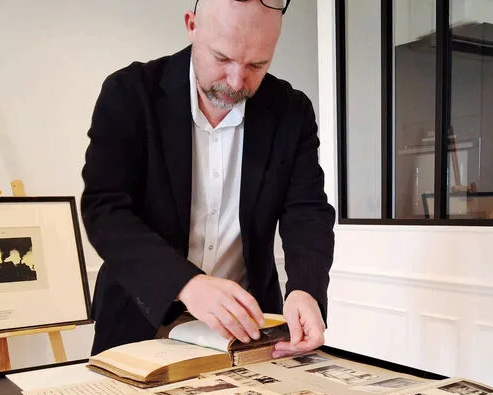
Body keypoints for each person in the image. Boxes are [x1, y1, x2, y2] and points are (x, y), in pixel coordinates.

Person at [79, 0, 335, 358]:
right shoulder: (129, 93)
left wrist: (306, 290)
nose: (236, 81)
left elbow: (307, 212)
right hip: (137, 320)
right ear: (192, 25)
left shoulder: (291, 111)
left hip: (247, 328)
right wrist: (186, 283)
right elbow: (105, 210)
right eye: (222, 58)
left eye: (257, 65)